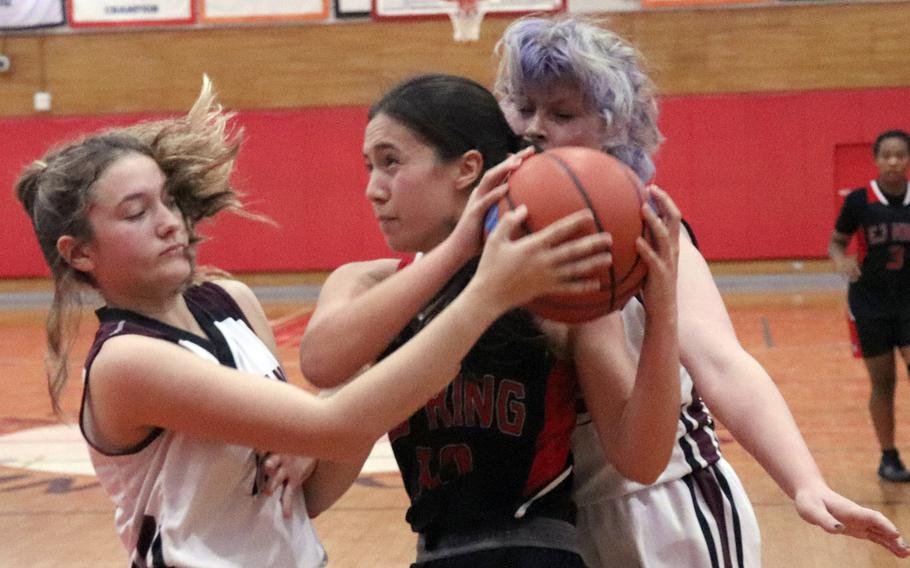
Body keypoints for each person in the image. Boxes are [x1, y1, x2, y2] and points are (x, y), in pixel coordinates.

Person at [14, 76, 615, 568]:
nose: (170, 222)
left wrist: (315, 440)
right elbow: (335, 423)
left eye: (168, 200)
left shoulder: (232, 302)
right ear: (80, 254)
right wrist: (482, 291)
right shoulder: (128, 362)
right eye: (136, 212)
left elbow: (303, 494)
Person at [494, 15, 910, 566]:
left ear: (614, 127)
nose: (535, 126)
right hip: (554, 523)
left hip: (669, 505)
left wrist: (805, 482)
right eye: (523, 107)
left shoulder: (645, 225)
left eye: (562, 113)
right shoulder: (489, 228)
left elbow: (721, 362)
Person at [298, 73, 683, 567]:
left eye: (391, 163)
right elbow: (322, 362)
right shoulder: (366, 284)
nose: (374, 189)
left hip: (537, 550)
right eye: (369, 167)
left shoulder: (553, 290)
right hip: (433, 553)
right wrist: (460, 247)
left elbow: (642, 459)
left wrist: (663, 311)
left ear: (467, 169)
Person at [829, 129, 910, 483]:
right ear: (876, 160)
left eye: (900, 155)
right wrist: (841, 261)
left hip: (909, 304)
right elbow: (837, 242)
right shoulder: (860, 202)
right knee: (884, 383)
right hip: (870, 305)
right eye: (887, 155)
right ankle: (888, 456)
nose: (894, 161)